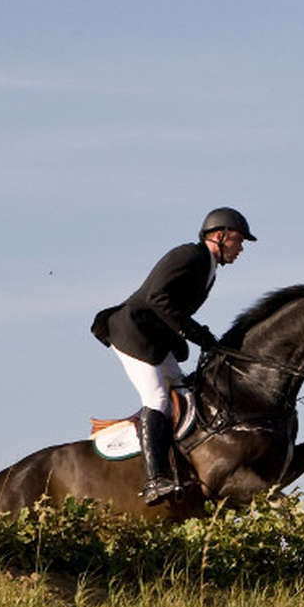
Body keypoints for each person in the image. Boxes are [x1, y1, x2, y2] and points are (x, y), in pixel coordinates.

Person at [90, 207, 256, 503]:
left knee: (184, 394)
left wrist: (194, 337)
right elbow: (157, 298)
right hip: (132, 333)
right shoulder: (188, 255)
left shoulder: (208, 267)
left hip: (154, 339)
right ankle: (155, 480)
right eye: (238, 240)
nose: (241, 248)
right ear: (220, 236)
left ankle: (182, 465)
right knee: (157, 399)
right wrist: (193, 333)